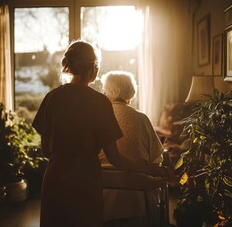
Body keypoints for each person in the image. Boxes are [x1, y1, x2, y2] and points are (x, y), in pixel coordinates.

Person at [32, 39, 167, 227]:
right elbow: (115, 159)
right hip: (85, 180)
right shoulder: (99, 103)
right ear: (94, 68)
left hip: (55, 179)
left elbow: (45, 151)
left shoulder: (52, 98)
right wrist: (147, 168)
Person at [99, 70, 165, 227]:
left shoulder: (99, 118)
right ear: (131, 92)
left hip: (103, 194)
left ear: (106, 91)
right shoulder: (141, 119)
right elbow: (156, 159)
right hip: (136, 196)